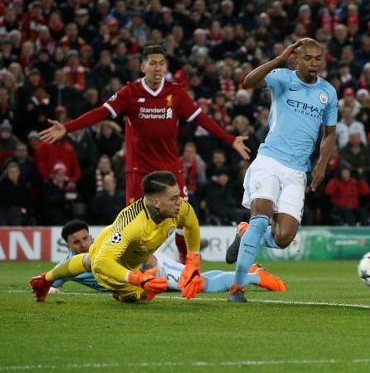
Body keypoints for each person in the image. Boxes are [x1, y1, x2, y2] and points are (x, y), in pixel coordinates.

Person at [39, 44, 251, 264]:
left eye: (161, 63)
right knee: (133, 224)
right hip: (139, 171)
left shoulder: (176, 93)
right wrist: (67, 127)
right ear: (143, 66)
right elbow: (101, 112)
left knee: (182, 216)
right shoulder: (130, 92)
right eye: (152, 63)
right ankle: (127, 265)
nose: (157, 68)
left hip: (169, 170)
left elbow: (201, 119)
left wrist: (230, 139)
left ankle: (185, 261)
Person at [225, 38, 337, 303]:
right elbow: (248, 82)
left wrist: (321, 164)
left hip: (298, 172)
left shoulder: (328, 92)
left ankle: (243, 232)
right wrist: (278, 58)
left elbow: (330, 133)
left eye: (317, 58)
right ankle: (237, 288)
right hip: (270, 161)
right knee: (261, 218)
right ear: (296, 59)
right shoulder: (281, 78)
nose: (313, 63)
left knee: (283, 237)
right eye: (308, 58)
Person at [30, 171, 206, 303]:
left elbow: (191, 223)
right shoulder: (133, 224)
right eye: (174, 198)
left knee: (88, 260)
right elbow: (102, 263)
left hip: (122, 249)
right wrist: (138, 279)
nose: (180, 202)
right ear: (156, 203)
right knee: (140, 296)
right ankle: (121, 292)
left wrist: (193, 261)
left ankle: (44, 280)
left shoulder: (178, 208)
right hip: (110, 265)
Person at [36, 219, 285, 296]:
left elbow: (136, 247)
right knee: (203, 279)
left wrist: (149, 267)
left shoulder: (104, 246)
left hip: (152, 269)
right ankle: (251, 271)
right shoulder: (72, 263)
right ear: (67, 245)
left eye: (84, 238)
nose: (83, 244)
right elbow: (54, 282)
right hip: (139, 283)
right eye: (76, 242)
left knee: (200, 285)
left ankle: (253, 276)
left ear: (91, 236)